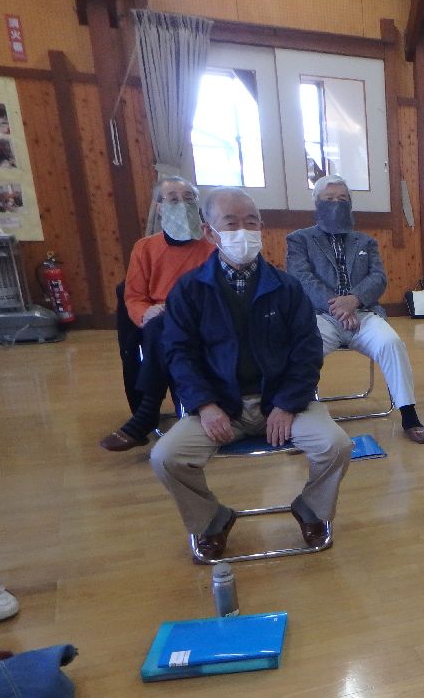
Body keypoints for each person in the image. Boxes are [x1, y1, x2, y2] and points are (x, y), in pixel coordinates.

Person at [150, 188, 352, 561]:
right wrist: (205, 405)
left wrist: (287, 404)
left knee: (336, 445)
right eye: (231, 223)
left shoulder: (286, 287)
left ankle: (311, 509)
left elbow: (307, 353)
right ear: (209, 232)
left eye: (251, 222)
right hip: (220, 408)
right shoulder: (190, 290)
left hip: (283, 404)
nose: (243, 231)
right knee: (166, 457)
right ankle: (212, 520)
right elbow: (179, 355)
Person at [286, 175, 424, 444]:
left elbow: (378, 278)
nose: (336, 203)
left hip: (363, 313)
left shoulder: (365, 242)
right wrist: (338, 307)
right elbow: (302, 279)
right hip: (320, 316)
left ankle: (409, 414)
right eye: (329, 199)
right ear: (316, 203)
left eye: (342, 198)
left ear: (350, 204)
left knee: (392, 343)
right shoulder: (299, 240)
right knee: (302, 350)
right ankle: (298, 413)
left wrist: (353, 301)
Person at [99, 177, 214, 451]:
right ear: (160, 207)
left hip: (202, 315)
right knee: (158, 325)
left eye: (189, 198)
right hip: (159, 318)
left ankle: (147, 413)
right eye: (173, 199)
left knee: (163, 326)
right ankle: (149, 409)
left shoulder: (213, 246)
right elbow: (133, 296)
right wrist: (146, 312)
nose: (182, 203)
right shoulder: (145, 248)